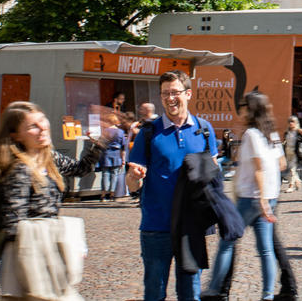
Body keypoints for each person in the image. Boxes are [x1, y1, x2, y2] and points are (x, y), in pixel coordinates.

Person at [0, 101, 104, 300]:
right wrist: (55, 242)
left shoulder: (49, 157)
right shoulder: (20, 170)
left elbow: (80, 169)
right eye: (33, 126)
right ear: (16, 135)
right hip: (30, 258)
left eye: (42, 120)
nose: (43, 127)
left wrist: (99, 144)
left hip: (46, 251)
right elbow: (13, 224)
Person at [126, 71, 219, 301]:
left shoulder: (205, 130)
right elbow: (132, 185)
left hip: (191, 227)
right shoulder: (148, 133)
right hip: (156, 226)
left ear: (188, 94)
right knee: (155, 292)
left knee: (190, 293)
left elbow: (213, 173)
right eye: (165, 93)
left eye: (175, 92)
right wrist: (134, 176)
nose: (170, 98)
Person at [205, 92, 288, 299]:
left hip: (251, 198)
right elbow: (282, 164)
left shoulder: (251, 134)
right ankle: (268, 294)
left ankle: (214, 288)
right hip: (268, 196)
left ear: (250, 110)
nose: (240, 110)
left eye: (243, 106)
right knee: (266, 249)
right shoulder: (272, 134)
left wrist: (261, 199)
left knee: (227, 242)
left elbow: (259, 167)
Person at [97, 113, 127, 202]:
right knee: (114, 175)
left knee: (105, 174)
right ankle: (112, 194)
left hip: (106, 154)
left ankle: (103, 195)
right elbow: (123, 147)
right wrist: (123, 159)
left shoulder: (105, 131)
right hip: (117, 154)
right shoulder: (120, 132)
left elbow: (100, 143)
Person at [282, 116, 302, 193]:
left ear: (296, 123)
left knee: (292, 169)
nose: (291, 123)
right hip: (287, 152)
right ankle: (297, 180)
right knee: (288, 170)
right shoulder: (287, 132)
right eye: (289, 122)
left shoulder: (298, 131)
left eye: (292, 122)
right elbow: (284, 141)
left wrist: (299, 130)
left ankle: (291, 186)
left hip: (295, 153)